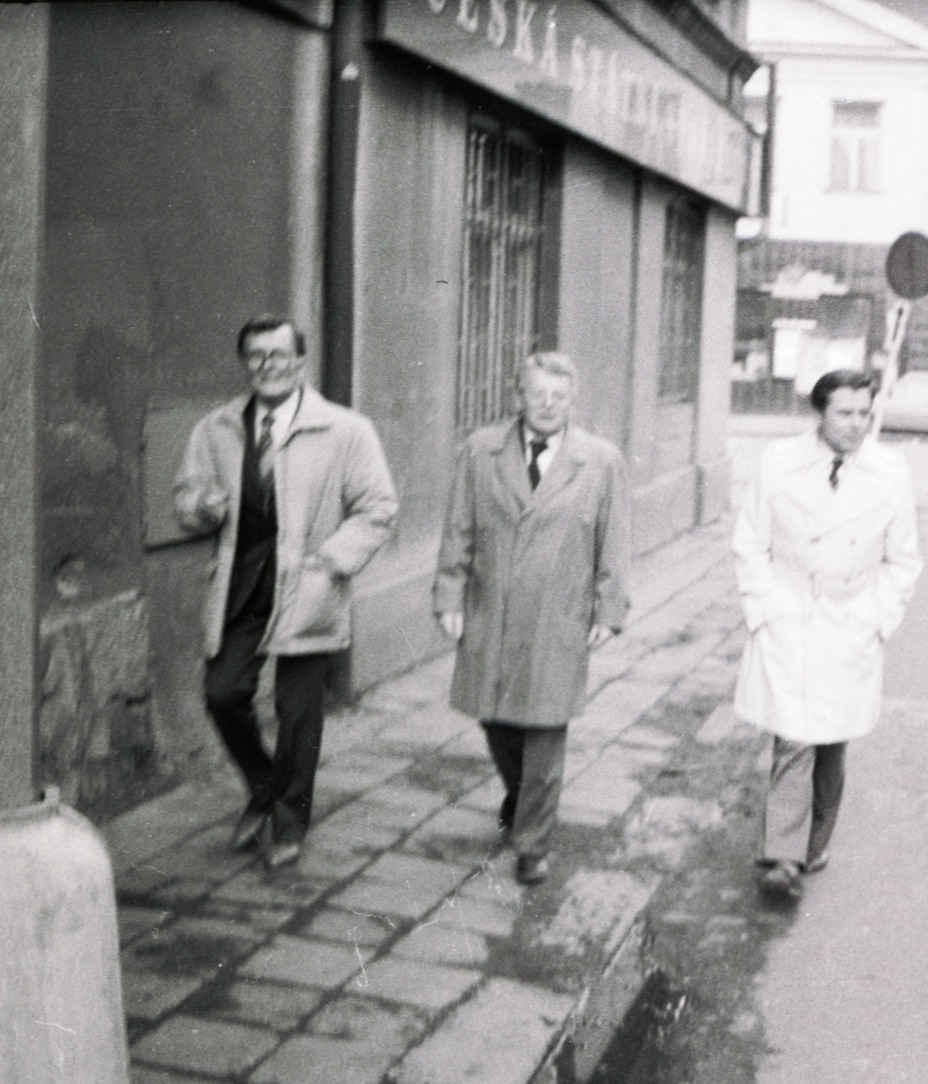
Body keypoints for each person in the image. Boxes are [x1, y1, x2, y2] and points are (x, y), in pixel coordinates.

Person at [175, 314, 398, 870]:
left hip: (309, 586)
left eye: (279, 355)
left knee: (298, 711)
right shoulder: (217, 428)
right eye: (256, 356)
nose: (268, 366)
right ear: (245, 363)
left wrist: (331, 562)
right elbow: (186, 497)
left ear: (301, 361)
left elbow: (378, 509)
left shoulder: (346, 430)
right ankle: (263, 784)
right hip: (241, 584)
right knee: (222, 693)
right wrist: (201, 506)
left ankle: (291, 818)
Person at [433, 351, 631, 886]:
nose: (547, 406)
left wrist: (609, 608)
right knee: (494, 716)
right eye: (537, 394)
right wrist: (449, 595)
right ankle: (524, 799)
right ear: (517, 396)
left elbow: (613, 541)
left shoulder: (600, 461)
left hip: (558, 613)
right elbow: (459, 529)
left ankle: (532, 843)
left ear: (573, 400)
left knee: (544, 726)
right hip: (490, 607)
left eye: (559, 397)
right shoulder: (481, 451)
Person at [733, 369, 923, 900]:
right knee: (793, 737)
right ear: (820, 413)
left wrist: (877, 621)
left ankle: (814, 843)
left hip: (851, 620)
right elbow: (750, 541)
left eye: (865, 413)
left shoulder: (890, 471)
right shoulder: (779, 462)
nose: (857, 424)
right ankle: (784, 858)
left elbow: (903, 560)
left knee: (831, 744)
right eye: (845, 413)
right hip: (790, 614)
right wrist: (763, 609)